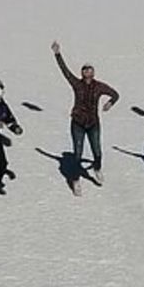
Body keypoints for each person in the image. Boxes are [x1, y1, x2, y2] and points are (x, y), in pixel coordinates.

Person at [52, 40, 119, 192]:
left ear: (93, 73)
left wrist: (110, 103)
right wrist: (57, 54)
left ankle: (97, 168)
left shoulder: (99, 86)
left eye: (90, 70)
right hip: (78, 123)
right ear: (82, 73)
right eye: (85, 70)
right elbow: (65, 71)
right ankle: (75, 180)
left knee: (97, 151)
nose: (87, 72)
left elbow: (115, 94)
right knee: (78, 153)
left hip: (93, 123)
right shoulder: (77, 84)